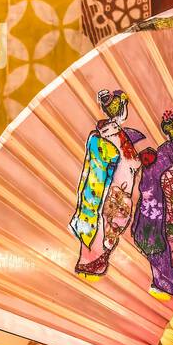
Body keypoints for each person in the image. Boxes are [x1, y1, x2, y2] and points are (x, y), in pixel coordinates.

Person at [70, 89, 149, 279]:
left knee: (97, 222)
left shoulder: (98, 134)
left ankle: (88, 260)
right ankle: (95, 260)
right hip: (117, 190)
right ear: (122, 110)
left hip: (98, 189)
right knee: (110, 223)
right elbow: (133, 163)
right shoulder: (118, 136)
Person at [131, 109, 173, 299]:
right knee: (161, 246)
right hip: (161, 205)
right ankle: (162, 284)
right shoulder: (163, 153)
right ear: (168, 130)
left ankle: (167, 282)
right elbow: (151, 181)